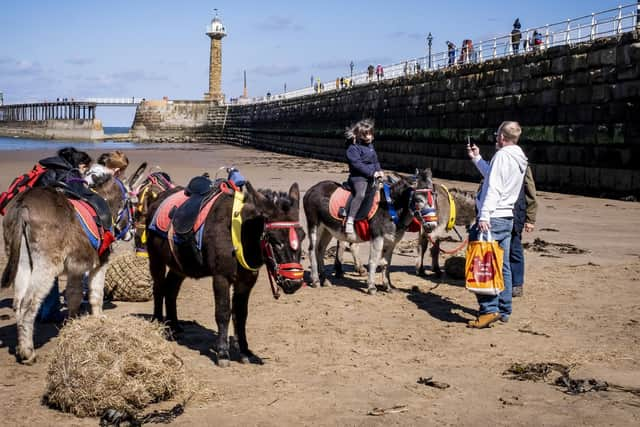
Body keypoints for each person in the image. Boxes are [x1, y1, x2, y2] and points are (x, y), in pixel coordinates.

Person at [466, 121, 528, 328]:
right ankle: (504, 309)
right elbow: (494, 177)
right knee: (503, 265)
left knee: (482, 263)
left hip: (493, 217)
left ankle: (489, 310)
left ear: (502, 137)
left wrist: (484, 216)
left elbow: (493, 187)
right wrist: (477, 159)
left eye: (497, 135)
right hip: (507, 217)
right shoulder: (519, 157)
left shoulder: (502, 155)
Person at [344, 119, 384, 238]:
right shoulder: (352, 148)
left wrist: (379, 171)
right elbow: (357, 165)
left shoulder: (370, 147)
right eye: (365, 134)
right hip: (358, 177)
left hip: (372, 175)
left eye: (370, 134)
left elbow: (375, 161)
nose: (368, 137)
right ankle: (350, 220)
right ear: (358, 135)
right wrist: (372, 173)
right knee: (361, 194)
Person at [510, 166, 537, 297]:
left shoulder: (522, 165)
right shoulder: (496, 160)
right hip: (496, 214)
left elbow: (530, 192)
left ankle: (517, 284)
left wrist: (530, 219)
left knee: (514, 248)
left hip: (516, 213)